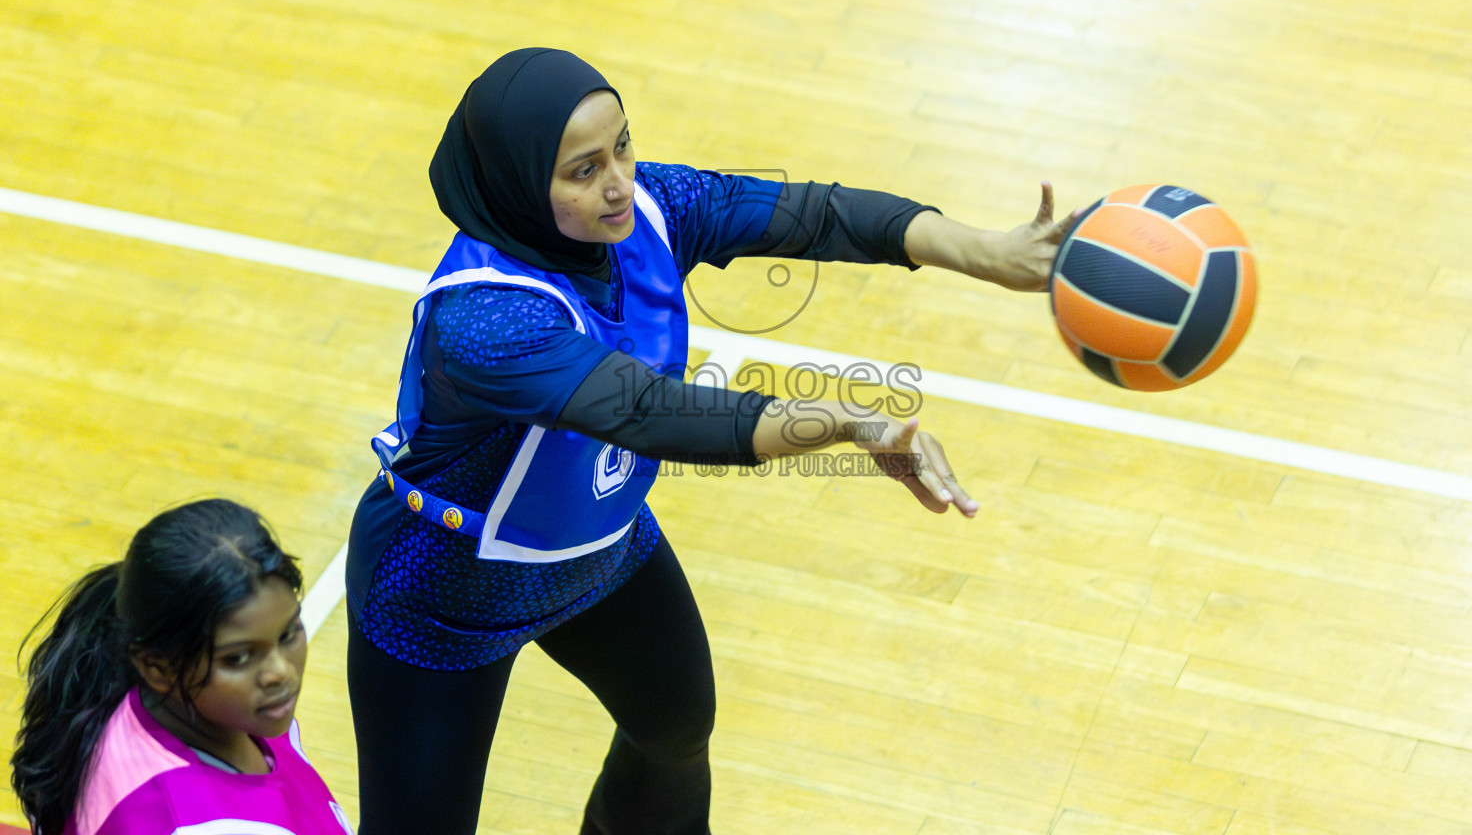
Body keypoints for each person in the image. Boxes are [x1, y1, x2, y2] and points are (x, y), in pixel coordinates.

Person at [345, 47, 1074, 834]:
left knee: (675, 731)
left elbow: (815, 213)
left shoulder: (651, 206)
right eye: (582, 171)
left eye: (621, 146)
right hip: (443, 593)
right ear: (521, 181)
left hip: (601, 555)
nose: (620, 180)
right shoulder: (485, 320)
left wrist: (987, 253)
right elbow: (649, 411)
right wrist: (848, 421)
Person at [11, 498, 352, 835]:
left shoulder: (136, 696)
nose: (281, 672)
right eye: (238, 658)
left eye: (288, 633)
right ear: (157, 668)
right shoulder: (196, 823)